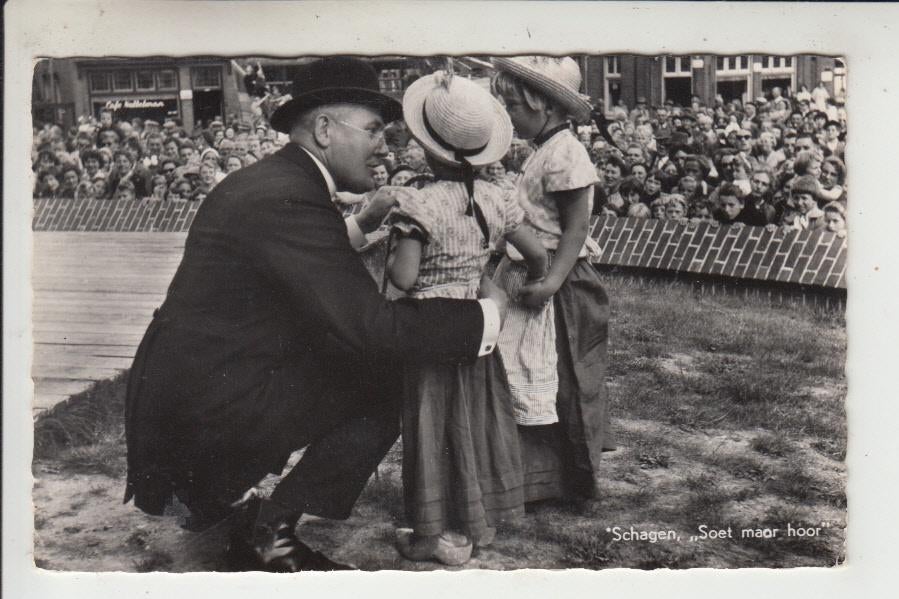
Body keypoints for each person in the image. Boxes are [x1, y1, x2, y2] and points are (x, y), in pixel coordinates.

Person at [124, 57, 509, 573]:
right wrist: (487, 315)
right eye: (374, 129)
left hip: (190, 391)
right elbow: (371, 328)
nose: (385, 146)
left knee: (338, 356)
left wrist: (362, 222)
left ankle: (212, 494)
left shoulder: (277, 180)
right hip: (204, 410)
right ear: (325, 129)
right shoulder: (289, 196)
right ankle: (269, 532)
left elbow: (293, 266)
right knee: (388, 374)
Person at [385, 72, 547, 566]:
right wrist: (492, 276)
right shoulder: (498, 197)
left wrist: (393, 253)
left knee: (431, 422)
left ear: (426, 144)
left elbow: (406, 278)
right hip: (479, 324)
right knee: (475, 419)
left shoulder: (418, 202)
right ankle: (478, 520)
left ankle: (433, 533)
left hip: (431, 326)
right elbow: (537, 256)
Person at [491, 55, 614, 504]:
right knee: (522, 374)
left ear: (543, 105)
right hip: (530, 269)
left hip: (558, 279)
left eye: (513, 107)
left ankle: (569, 479)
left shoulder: (566, 152)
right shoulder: (543, 150)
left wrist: (551, 282)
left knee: (562, 376)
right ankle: (532, 478)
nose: (508, 117)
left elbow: (576, 228)